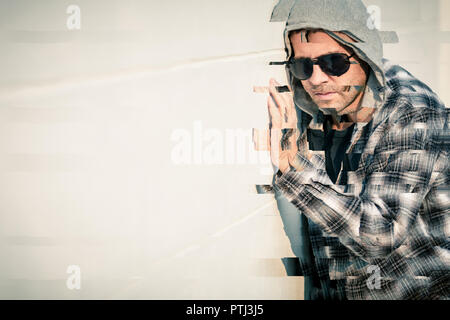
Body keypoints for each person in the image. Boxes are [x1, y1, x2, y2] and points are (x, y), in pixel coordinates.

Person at [264, 0, 449, 300]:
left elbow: (380, 233)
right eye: (303, 65)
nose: (317, 79)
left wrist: (297, 173)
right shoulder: (310, 106)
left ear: (366, 56)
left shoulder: (411, 113)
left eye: (334, 63)